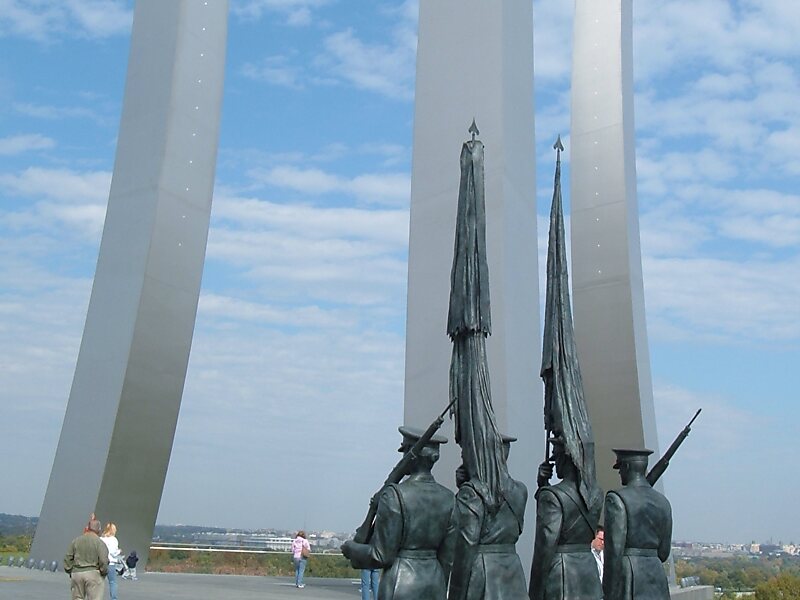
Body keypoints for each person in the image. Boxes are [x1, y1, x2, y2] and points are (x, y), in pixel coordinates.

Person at [341, 426, 457, 600]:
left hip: (400, 585)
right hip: (435, 585)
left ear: (411, 455)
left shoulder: (394, 495)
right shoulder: (449, 498)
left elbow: (381, 555)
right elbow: (447, 558)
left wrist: (352, 549)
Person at [448, 434, 528, 600]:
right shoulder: (520, 490)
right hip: (512, 570)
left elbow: (466, 544)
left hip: (483, 573)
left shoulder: (471, 493)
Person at [529, 436, 603, 600]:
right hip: (588, 573)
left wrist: (534, 591)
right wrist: (543, 485)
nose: (554, 463)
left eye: (556, 455)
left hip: (563, 576)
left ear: (566, 457)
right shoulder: (597, 494)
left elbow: (545, 546)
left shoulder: (551, 496)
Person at [603, 448, 672, 600]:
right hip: (656, 576)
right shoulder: (663, 502)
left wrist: (608, 593)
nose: (619, 472)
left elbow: (614, 552)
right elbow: (664, 552)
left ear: (626, 467)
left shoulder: (616, 499)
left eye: (620, 468)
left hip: (629, 577)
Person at [64, 518, 109, 600]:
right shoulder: (100, 543)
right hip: (93, 573)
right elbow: (103, 560)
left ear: (88, 528)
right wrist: (103, 572)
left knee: (77, 598)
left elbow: (68, 557)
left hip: (77, 572)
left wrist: (69, 570)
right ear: (99, 530)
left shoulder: (76, 540)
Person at [100, 523, 123, 600]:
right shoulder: (114, 539)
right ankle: (113, 598)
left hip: (101, 562)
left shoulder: (101, 539)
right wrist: (119, 551)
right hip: (111, 563)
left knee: (99, 582)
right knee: (112, 582)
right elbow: (113, 553)